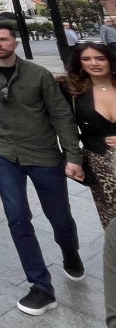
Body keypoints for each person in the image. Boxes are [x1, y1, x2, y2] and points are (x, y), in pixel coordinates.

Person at [0, 21, 84, 316]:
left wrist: (73, 155)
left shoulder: (39, 74)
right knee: (17, 217)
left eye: (3, 39)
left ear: (15, 42)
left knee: (59, 217)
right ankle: (41, 286)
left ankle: (70, 251)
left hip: (43, 153)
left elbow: (61, 115)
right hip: (3, 153)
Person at [57, 42, 116, 228]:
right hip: (101, 164)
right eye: (86, 59)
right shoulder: (71, 90)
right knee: (112, 220)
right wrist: (71, 158)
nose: (94, 63)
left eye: (100, 58)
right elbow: (62, 124)